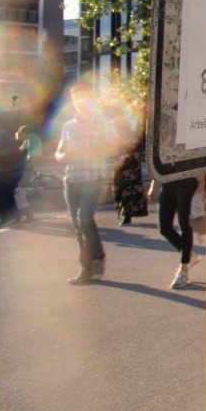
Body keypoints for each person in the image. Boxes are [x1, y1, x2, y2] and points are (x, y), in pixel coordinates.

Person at [55, 82, 118, 284]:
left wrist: (91, 149)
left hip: (93, 176)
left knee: (84, 219)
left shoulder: (102, 122)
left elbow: (113, 146)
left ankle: (95, 259)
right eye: (75, 99)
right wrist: (63, 155)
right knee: (76, 224)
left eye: (83, 98)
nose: (79, 103)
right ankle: (87, 268)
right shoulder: (68, 126)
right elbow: (58, 153)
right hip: (71, 178)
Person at [149, 173, 204, 289]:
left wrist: (202, 185)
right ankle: (189, 255)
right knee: (164, 228)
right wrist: (153, 184)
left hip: (188, 179)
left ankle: (183, 270)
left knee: (184, 223)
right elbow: (157, 157)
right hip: (168, 179)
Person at [111, 118, 148, 226]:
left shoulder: (131, 136)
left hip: (130, 170)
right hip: (120, 169)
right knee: (120, 191)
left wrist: (126, 161)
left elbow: (136, 153)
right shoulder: (117, 137)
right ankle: (124, 214)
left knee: (128, 192)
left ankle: (126, 215)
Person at [0, 123, 28, 227]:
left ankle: (6, 217)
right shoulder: (2, 134)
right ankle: (15, 216)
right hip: (19, 167)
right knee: (7, 191)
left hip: (9, 168)